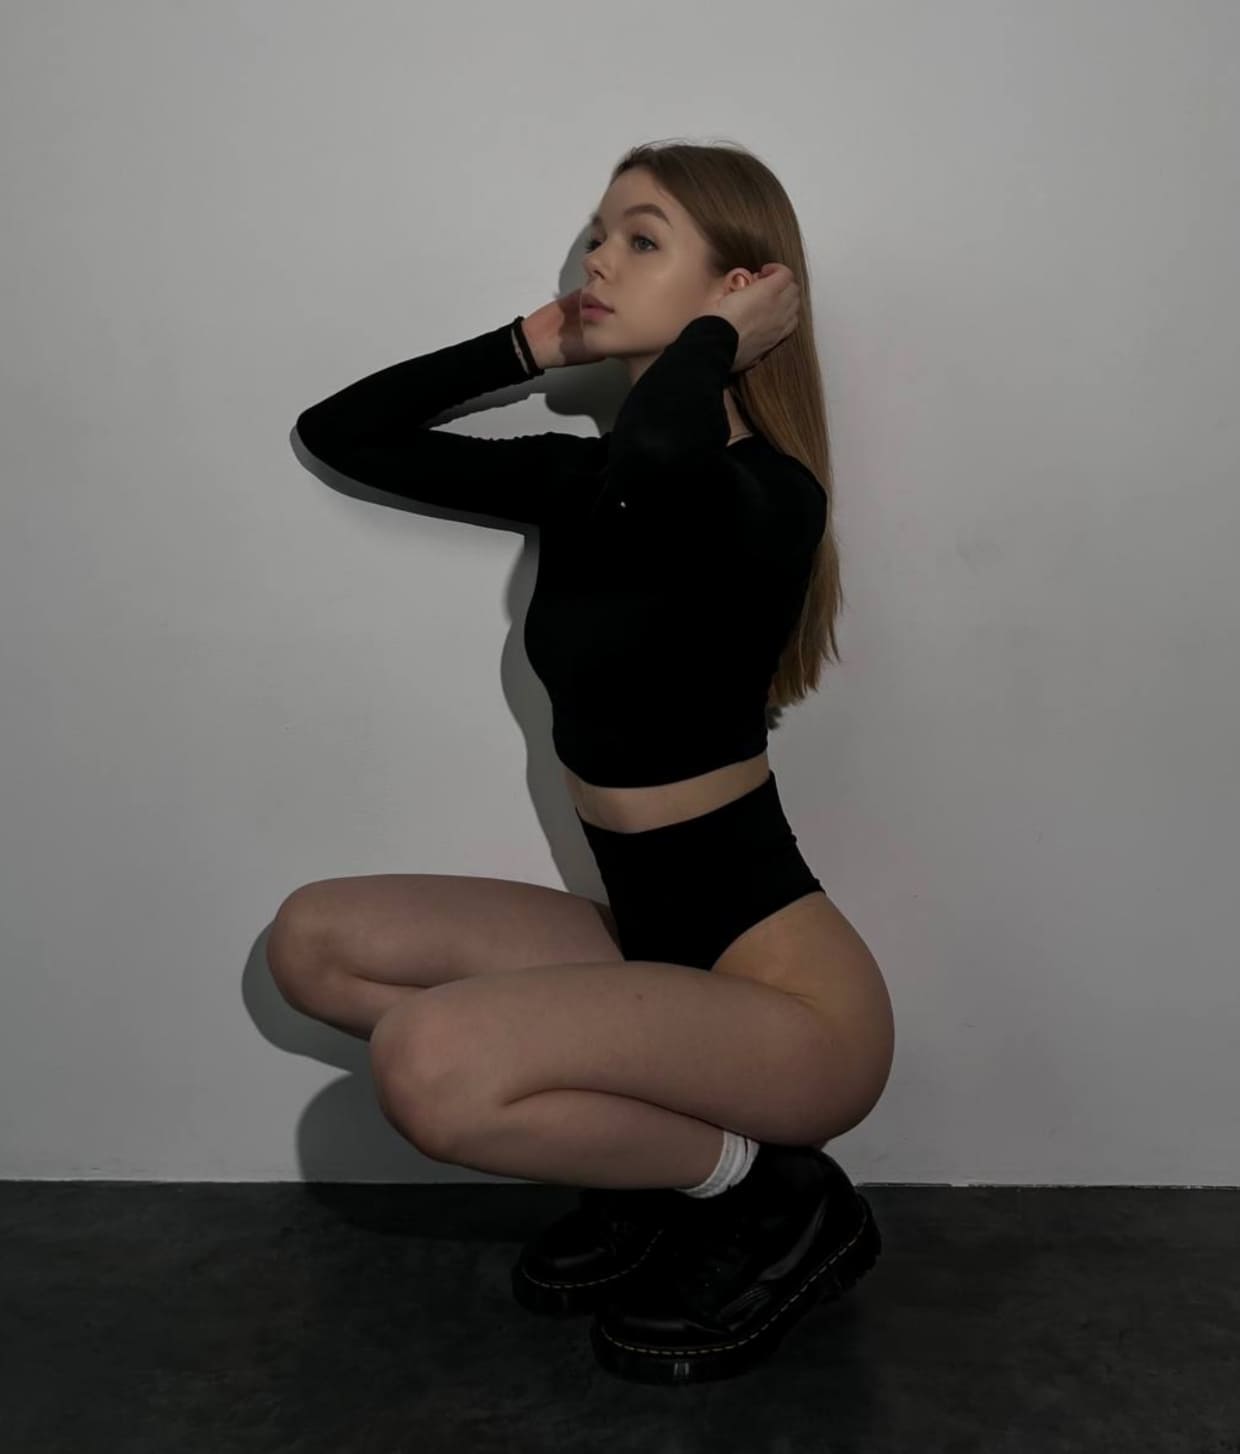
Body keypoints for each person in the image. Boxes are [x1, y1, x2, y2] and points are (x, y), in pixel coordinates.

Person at [272, 140, 895, 1386]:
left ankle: (771, 1196)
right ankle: (666, 1169)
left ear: (743, 291)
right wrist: (532, 343)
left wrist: (715, 343)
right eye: (597, 234)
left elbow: (669, 460)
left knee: (429, 1067)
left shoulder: (767, 498)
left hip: (791, 1010)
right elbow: (343, 431)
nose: (597, 259)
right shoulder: (585, 485)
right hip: (648, 952)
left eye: (641, 239)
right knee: (314, 943)